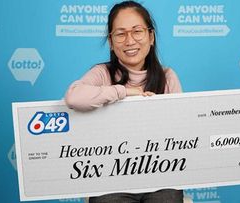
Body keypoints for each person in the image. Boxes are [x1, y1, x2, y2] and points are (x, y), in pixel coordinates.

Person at [65, 1, 183, 202]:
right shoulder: (101, 73)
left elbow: (183, 128)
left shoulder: (167, 77)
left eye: (137, 31)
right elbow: (73, 97)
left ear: (150, 36)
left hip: (160, 176)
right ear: (111, 42)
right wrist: (124, 92)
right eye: (120, 34)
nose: (130, 41)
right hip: (110, 178)